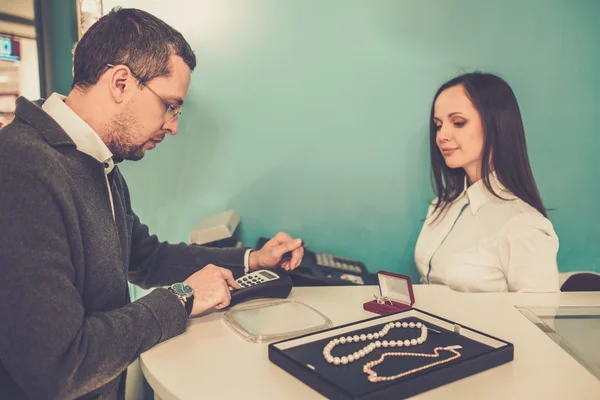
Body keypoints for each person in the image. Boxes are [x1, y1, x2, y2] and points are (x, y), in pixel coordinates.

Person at [0, 8, 304, 400]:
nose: (174, 126)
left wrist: (253, 260)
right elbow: (60, 365)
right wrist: (180, 298)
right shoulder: (22, 168)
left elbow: (146, 257)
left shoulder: (98, 164)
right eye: (170, 106)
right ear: (121, 82)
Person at [414, 72, 559, 293]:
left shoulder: (523, 225)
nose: (442, 135)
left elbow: (539, 321)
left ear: (496, 125)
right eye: (438, 125)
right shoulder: (441, 205)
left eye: (458, 123)